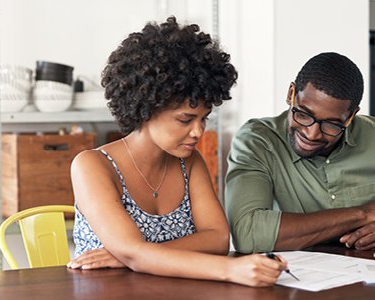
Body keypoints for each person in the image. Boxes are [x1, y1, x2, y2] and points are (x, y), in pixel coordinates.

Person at [66, 16, 286, 287]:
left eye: (204, 118)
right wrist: (231, 269)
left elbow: (217, 239)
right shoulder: (92, 165)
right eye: (185, 119)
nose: (198, 132)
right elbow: (134, 251)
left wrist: (131, 256)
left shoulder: (189, 162)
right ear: (146, 108)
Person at [225, 52, 375, 254]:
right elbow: (248, 234)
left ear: (351, 116)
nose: (312, 134)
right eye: (303, 114)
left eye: (332, 124)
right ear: (291, 94)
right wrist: (365, 213)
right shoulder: (258, 141)